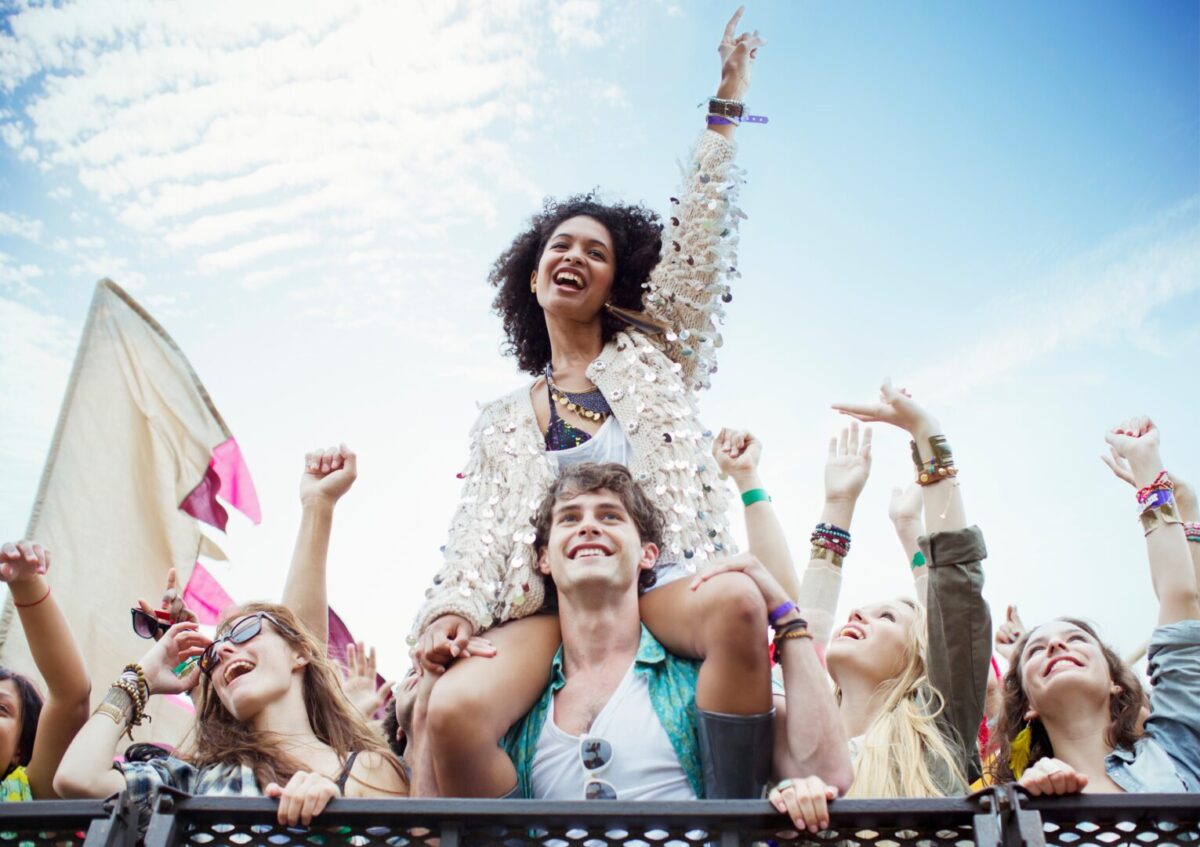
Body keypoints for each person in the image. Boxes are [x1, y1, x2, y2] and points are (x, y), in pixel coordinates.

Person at [411, 8, 780, 799]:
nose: (574, 256)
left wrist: (725, 107)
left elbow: (699, 250)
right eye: (559, 247)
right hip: (550, 601)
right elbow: (476, 531)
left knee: (741, 607)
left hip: (663, 581)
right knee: (450, 709)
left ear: (618, 280)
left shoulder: (653, 358)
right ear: (534, 278)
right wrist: (449, 613)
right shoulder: (503, 417)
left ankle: (736, 821)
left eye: (596, 251)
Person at [55, 445, 409, 826]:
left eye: (244, 630)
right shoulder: (192, 781)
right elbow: (77, 778)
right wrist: (140, 678)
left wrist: (336, 818)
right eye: (211, 656)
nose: (222, 649)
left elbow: (298, 624)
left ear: (299, 654)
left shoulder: (366, 770)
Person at [495, 461, 845, 801]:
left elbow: (827, 776)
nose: (588, 527)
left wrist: (786, 617)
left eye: (610, 516)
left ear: (648, 554)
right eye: (570, 518)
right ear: (543, 559)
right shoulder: (519, 707)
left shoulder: (702, 673)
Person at [769, 383, 993, 822]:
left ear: (921, 655)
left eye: (887, 616)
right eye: (862, 610)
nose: (855, 613)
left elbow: (955, 595)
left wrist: (926, 435)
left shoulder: (937, 732)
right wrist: (838, 502)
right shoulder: (790, 734)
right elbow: (803, 631)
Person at [990, 417, 1200, 795]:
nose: (1056, 646)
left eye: (1077, 639)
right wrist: (1028, 806)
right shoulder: (1013, 804)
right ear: (1027, 705)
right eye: (1036, 650)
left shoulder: (1176, 752)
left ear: (1115, 682)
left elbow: (1181, 597)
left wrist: (1148, 467)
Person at [0, 540, 91, 801]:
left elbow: (71, 694)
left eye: (1, 708)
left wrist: (25, 583)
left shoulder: (23, 796)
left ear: (19, 750)